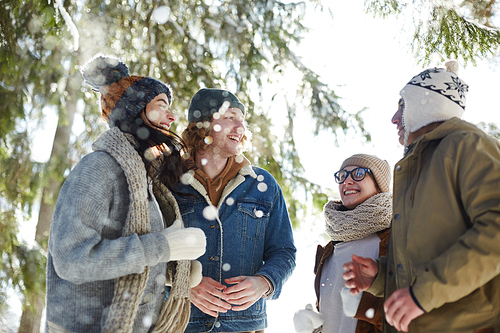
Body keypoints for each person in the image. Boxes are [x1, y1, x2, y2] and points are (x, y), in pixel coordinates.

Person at [45, 55, 207, 333]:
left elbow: (125, 259)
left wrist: (170, 273)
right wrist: (163, 247)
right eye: (161, 106)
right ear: (134, 110)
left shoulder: (146, 180)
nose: (172, 116)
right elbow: (72, 260)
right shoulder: (99, 168)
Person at [343, 60, 500, 332]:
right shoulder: (413, 169)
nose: (394, 118)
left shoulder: (467, 145)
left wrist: (424, 294)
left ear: (426, 104)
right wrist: (380, 275)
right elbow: (422, 256)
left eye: (403, 105)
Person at [167, 88, 297, 333]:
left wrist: (264, 282)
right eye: (230, 118)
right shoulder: (167, 182)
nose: (240, 128)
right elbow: (147, 250)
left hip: (245, 327)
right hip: (180, 324)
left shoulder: (263, 185)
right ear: (202, 124)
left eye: (242, 121)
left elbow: (284, 252)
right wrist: (184, 282)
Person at [294, 154, 392, 333]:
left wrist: (366, 308)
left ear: (379, 185)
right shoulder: (331, 248)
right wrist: (313, 328)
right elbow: (336, 316)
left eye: (359, 173)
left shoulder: (392, 238)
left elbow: (416, 307)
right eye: (342, 175)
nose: (347, 181)